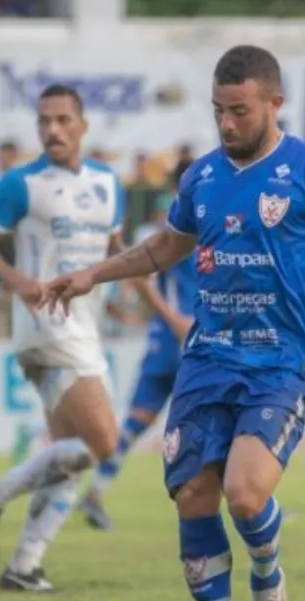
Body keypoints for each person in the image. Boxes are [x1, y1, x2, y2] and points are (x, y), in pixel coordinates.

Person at [40, 45, 305, 601]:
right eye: (218, 111)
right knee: (194, 496)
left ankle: (269, 572)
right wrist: (94, 273)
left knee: (245, 492)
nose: (226, 124)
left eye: (240, 111)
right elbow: (163, 246)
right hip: (205, 360)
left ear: (273, 104)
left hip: (278, 364)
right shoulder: (201, 176)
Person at [0, 84, 125, 593]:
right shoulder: (20, 184)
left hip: (85, 326)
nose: (51, 130)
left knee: (73, 452)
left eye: (61, 120)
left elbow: (118, 251)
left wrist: (146, 305)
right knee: (104, 440)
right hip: (47, 327)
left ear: (82, 126)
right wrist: (22, 285)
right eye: (44, 121)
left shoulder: (107, 182)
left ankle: (24, 565)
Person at [77, 196, 197, 531]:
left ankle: (93, 492)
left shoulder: (196, 232)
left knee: (135, 422)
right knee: (224, 420)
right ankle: (256, 501)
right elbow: (142, 280)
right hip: (182, 340)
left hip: (167, 341)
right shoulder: (180, 237)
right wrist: (175, 320)